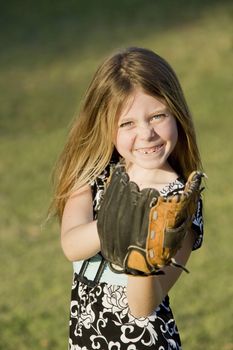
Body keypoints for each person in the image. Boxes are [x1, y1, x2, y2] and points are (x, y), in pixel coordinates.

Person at [50, 47, 204, 350]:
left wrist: (141, 258)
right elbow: (71, 245)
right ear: (106, 126)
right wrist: (115, 222)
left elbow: (143, 307)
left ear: (177, 115)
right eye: (127, 123)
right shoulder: (96, 174)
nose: (146, 133)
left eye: (157, 116)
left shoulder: (182, 202)